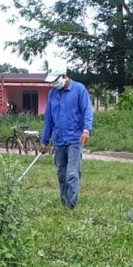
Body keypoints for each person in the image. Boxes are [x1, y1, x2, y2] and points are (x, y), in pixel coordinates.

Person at [40, 68, 93, 209]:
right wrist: (44, 140)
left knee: (72, 174)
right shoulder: (53, 93)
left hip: (75, 138)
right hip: (59, 139)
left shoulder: (79, 89)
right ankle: (64, 202)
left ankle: (71, 205)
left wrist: (86, 130)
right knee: (61, 174)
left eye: (55, 81)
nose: (53, 84)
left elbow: (87, 111)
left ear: (64, 76)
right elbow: (48, 119)